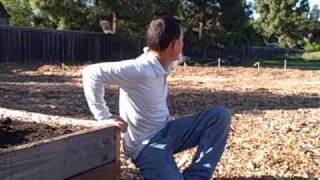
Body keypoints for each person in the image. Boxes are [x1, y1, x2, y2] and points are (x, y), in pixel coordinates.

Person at [82, 16, 231, 180]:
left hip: (166, 129)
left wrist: (177, 57)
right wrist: (103, 116)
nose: (183, 46)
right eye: (181, 41)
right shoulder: (141, 68)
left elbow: (175, 59)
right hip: (146, 144)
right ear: (174, 45)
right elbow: (91, 73)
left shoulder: (164, 61)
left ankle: (196, 176)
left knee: (219, 116)